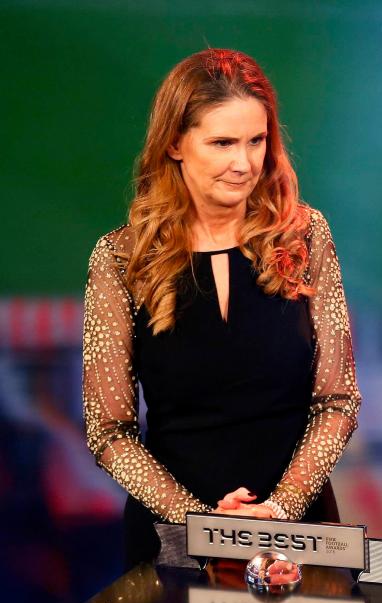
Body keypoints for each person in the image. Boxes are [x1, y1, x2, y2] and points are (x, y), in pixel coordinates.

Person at [82, 49, 360, 567]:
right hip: (173, 544)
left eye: (257, 141)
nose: (244, 163)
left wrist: (279, 511)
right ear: (174, 144)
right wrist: (205, 526)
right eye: (223, 143)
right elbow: (108, 430)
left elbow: (339, 401)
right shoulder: (121, 259)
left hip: (298, 539)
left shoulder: (306, 237)